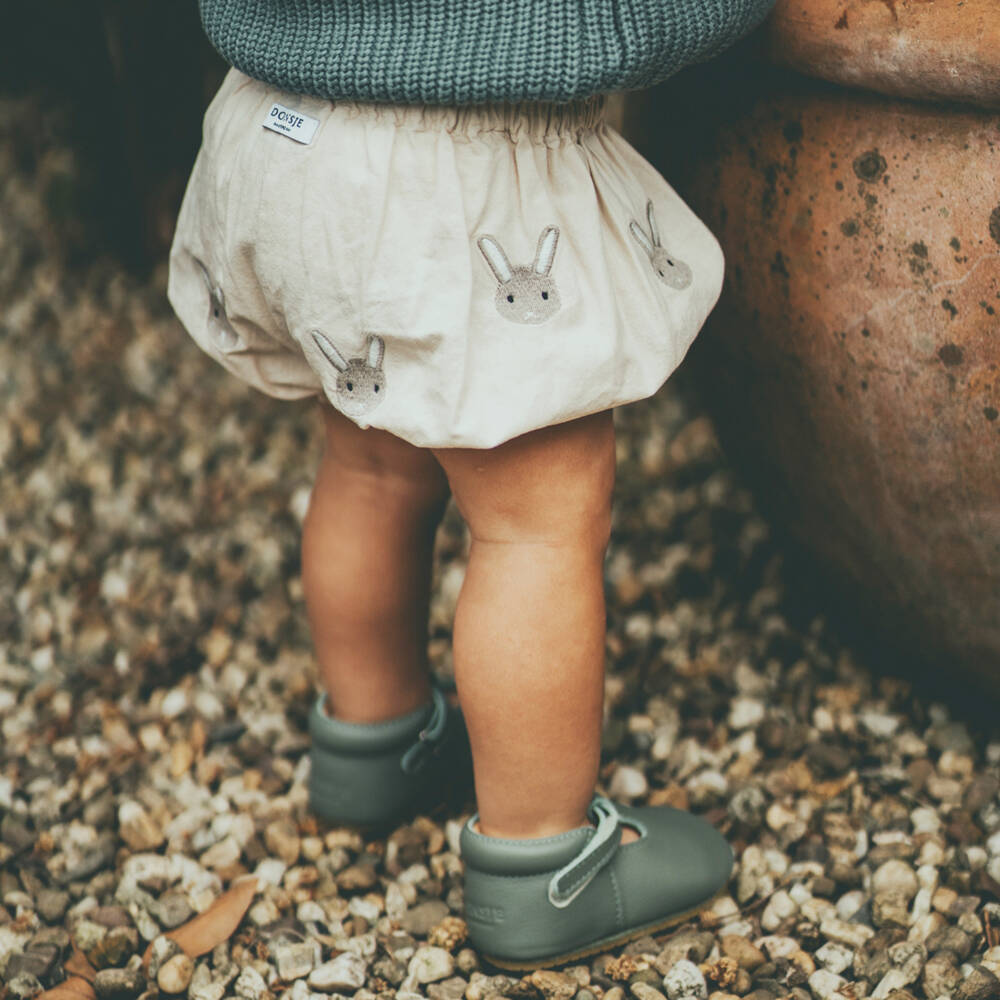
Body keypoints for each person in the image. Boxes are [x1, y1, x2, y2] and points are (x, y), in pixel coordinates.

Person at [166, 0, 775, 969]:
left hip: (283, 131)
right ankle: (543, 862)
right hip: (458, 164)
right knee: (536, 521)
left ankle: (373, 741)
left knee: (369, 455)